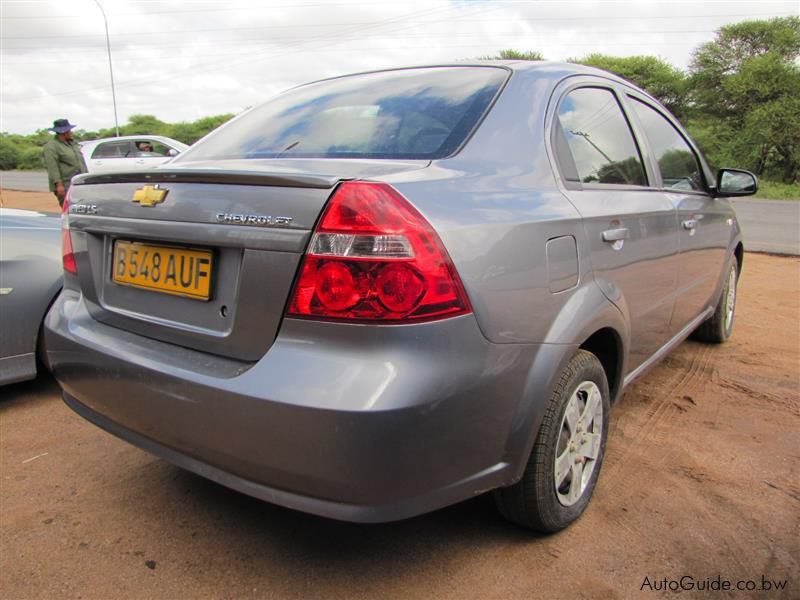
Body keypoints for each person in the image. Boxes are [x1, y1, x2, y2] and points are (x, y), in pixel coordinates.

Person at [42, 118, 88, 208]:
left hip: (79, 181)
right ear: (63, 132)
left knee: (82, 207)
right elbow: (52, 167)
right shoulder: (51, 147)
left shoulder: (72, 144)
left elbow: (80, 161)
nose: (71, 132)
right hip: (66, 184)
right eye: (69, 130)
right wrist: (59, 185)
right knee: (70, 209)